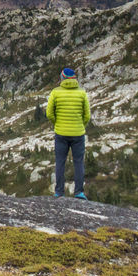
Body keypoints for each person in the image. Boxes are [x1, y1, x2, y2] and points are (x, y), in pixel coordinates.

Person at [46, 67, 90, 198]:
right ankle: (79, 192)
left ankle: (59, 191)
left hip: (61, 133)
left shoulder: (55, 92)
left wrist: (56, 123)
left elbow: (49, 113)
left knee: (60, 162)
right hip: (78, 133)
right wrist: (81, 125)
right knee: (78, 162)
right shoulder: (82, 93)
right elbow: (87, 115)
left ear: (62, 78)